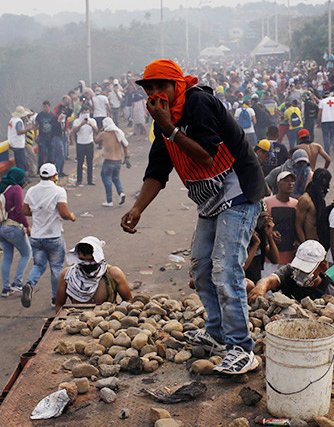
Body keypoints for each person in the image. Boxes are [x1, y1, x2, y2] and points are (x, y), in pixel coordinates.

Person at [122, 59, 266, 375]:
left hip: (238, 191)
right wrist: (137, 209)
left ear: (177, 86)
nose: (156, 93)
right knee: (201, 268)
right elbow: (158, 170)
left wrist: (169, 128)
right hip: (210, 200)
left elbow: (207, 154)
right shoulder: (163, 123)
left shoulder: (198, 102)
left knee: (226, 269)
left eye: (162, 86)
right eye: (150, 88)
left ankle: (241, 348)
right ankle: (216, 334)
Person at [21, 163, 76, 308]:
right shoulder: (58, 191)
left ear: (40, 176)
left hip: (37, 236)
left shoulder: (31, 191)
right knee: (56, 268)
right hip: (53, 236)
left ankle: (29, 284)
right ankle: (55, 298)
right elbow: (64, 213)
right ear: (54, 176)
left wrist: (39, 211)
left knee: (38, 265)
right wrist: (71, 216)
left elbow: (25, 211)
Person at [54, 236, 133, 313]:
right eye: (82, 260)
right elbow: (59, 306)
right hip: (77, 320)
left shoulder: (114, 274)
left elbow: (128, 300)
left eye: (91, 260)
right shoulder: (68, 275)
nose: (87, 264)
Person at [247, 240, 334, 302]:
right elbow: (270, 280)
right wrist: (262, 286)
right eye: (298, 268)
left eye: (306, 270)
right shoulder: (289, 272)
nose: (300, 274)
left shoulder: (329, 291)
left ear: (321, 267)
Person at [0, 167, 31, 298]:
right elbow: (20, 211)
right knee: (27, 254)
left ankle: (5, 288)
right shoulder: (16, 189)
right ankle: (17, 283)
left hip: (0, 228)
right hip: (12, 227)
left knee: (7, 257)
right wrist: (27, 226)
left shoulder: (2, 187)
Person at [263, 172, 299, 266]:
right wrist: (271, 233)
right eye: (286, 181)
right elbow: (260, 224)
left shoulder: (296, 204)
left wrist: (296, 239)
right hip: (270, 259)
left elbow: (297, 226)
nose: (290, 183)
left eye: (292, 181)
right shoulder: (266, 202)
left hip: (289, 259)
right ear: (278, 183)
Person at [97, 117, 130, 207]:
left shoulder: (103, 134)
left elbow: (96, 141)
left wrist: (101, 130)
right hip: (118, 161)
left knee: (106, 179)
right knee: (116, 178)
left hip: (108, 161)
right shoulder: (118, 133)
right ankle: (121, 193)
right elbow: (125, 145)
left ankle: (109, 200)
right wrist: (127, 158)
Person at [295, 168, 332, 243]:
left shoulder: (319, 199)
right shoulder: (306, 200)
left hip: (319, 242)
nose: (330, 184)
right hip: (309, 243)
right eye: (329, 181)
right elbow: (298, 225)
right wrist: (304, 245)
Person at [243, 209, 280, 284]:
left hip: (255, 280)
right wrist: (256, 243)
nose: (263, 222)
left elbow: (275, 259)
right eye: (261, 218)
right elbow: (243, 267)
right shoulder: (243, 234)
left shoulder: (260, 233)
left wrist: (269, 236)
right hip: (243, 283)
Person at [71, 103, 99, 186]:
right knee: (80, 163)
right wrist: (81, 124)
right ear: (81, 113)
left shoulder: (92, 120)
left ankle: (89, 180)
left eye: (88, 112)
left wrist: (90, 124)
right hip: (80, 144)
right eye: (84, 112)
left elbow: (96, 130)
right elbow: (75, 131)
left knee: (90, 162)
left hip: (89, 143)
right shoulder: (77, 121)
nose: (86, 114)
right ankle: (79, 180)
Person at [35, 101, 62, 173]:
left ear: (49, 107)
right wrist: (35, 135)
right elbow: (36, 125)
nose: (45, 108)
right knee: (42, 153)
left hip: (51, 137)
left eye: (46, 107)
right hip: (42, 137)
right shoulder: (39, 115)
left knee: (51, 154)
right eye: (44, 107)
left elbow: (55, 127)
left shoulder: (52, 116)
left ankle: (50, 169)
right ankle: (40, 169)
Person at [318, 91, 334, 156]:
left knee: (326, 137)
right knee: (333, 136)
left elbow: (320, 112)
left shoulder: (322, 101)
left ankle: (327, 152)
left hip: (325, 120)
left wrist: (319, 120)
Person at [8, 106, 29, 173]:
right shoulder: (18, 121)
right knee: (21, 163)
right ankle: (23, 179)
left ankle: (22, 178)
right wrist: (27, 129)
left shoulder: (12, 120)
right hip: (18, 144)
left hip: (13, 143)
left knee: (18, 162)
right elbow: (19, 132)